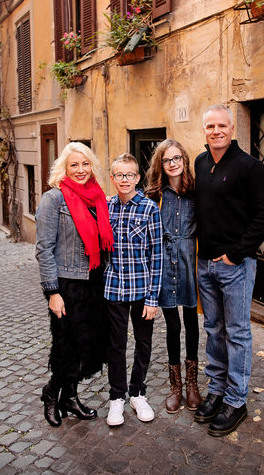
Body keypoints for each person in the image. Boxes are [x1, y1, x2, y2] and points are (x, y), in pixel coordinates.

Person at [194, 104, 264, 436]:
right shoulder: (200, 163)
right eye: (210, 126)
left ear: (232, 129)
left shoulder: (249, 167)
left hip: (236, 267)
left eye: (222, 126)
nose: (216, 131)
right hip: (205, 264)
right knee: (214, 328)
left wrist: (237, 254)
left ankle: (236, 400)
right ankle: (216, 391)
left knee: (238, 333)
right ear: (205, 130)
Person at [35, 142, 114, 427]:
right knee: (66, 345)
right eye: (74, 165)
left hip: (94, 283)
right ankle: (52, 395)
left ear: (92, 166)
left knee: (88, 346)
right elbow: (44, 249)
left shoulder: (98, 198)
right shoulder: (54, 199)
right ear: (64, 169)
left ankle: (70, 397)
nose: (80, 170)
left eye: (85, 164)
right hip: (68, 286)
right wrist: (52, 292)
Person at [104, 153, 163, 426]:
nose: (124, 179)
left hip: (141, 290)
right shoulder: (105, 207)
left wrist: (153, 298)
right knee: (115, 345)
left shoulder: (150, 208)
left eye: (129, 175)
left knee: (143, 344)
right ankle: (117, 397)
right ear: (113, 178)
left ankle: (138, 394)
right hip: (114, 288)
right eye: (119, 175)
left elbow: (157, 255)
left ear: (138, 178)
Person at [145, 139, 200, 413]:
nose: (173, 163)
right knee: (173, 325)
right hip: (165, 264)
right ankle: (175, 386)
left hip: (190, 261)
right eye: (167, 160)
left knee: (191, 321)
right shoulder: (155, 195)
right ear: (161, 164)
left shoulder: (195, 192)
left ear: (184, 160)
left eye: (177, 158)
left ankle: (192, 384)